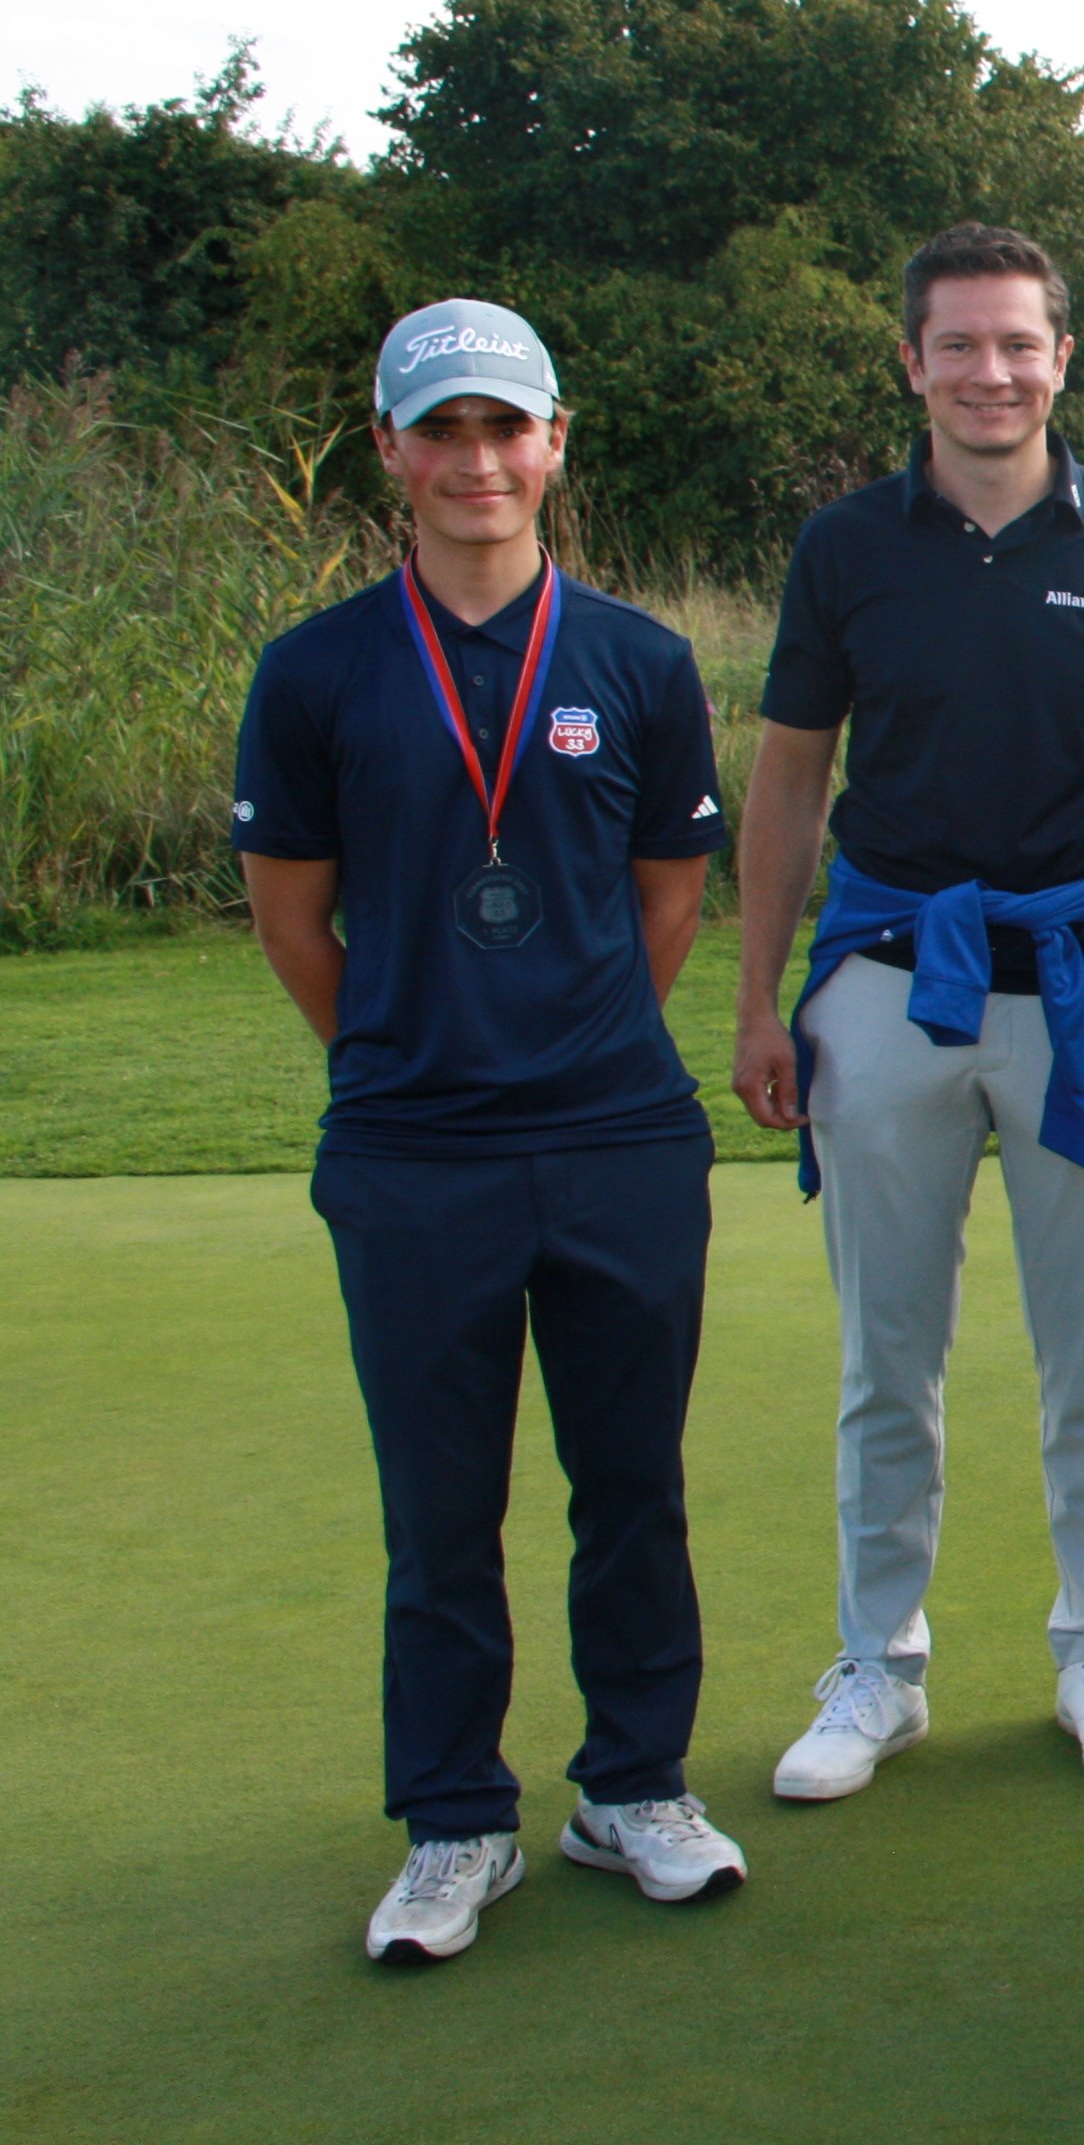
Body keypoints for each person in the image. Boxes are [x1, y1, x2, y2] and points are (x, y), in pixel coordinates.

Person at [236, 298, 747, 1964]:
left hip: (616, 1136)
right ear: (388, 449)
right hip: (413, 1150)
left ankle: (633, 1787)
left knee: (631, 1486)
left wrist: (570, 1036)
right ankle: (457, 1817)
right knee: (441, 1504)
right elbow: (295, 921)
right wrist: (411, 1053)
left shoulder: (637, 660)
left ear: (554, 443)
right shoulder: (314, 671)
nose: (475, 461)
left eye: (503, 428)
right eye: (439, 430)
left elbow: (667, 903)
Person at [729, 224, 1084, 1803]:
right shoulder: (845, 548)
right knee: (889, 1353)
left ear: (1063, 359)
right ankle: (881, 1663)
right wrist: (755, 1005)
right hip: (888, 986)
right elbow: (794, 777)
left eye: (1020, 345)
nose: (990, 372)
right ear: (913, 363)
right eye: (959, 345)